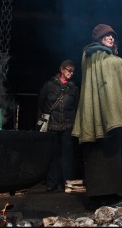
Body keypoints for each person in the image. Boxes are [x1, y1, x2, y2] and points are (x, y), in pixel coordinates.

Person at [71, 24, 122, 209]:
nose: (111, 38)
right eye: (106, 36)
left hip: (111, 111)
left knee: (114, 150)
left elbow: (116, 70)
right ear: (98, 38)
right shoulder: (93, 53)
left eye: (112, 35)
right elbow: (112, 66)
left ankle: (112, 193)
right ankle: (99, 197)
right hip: (98, 111)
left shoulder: (110, 57)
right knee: (100, 153)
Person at [38, 59, 80, 192]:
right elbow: (41, 103)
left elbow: (77, 106)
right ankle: (52, 183)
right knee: (53, 154)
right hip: (51, 125)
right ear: (62, 69)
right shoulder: (49, 86)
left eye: (73, 71)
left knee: (68, 156)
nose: (71, 73)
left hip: (68, 125)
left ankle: (68, 184)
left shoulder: (74, 88)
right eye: (69, 70)